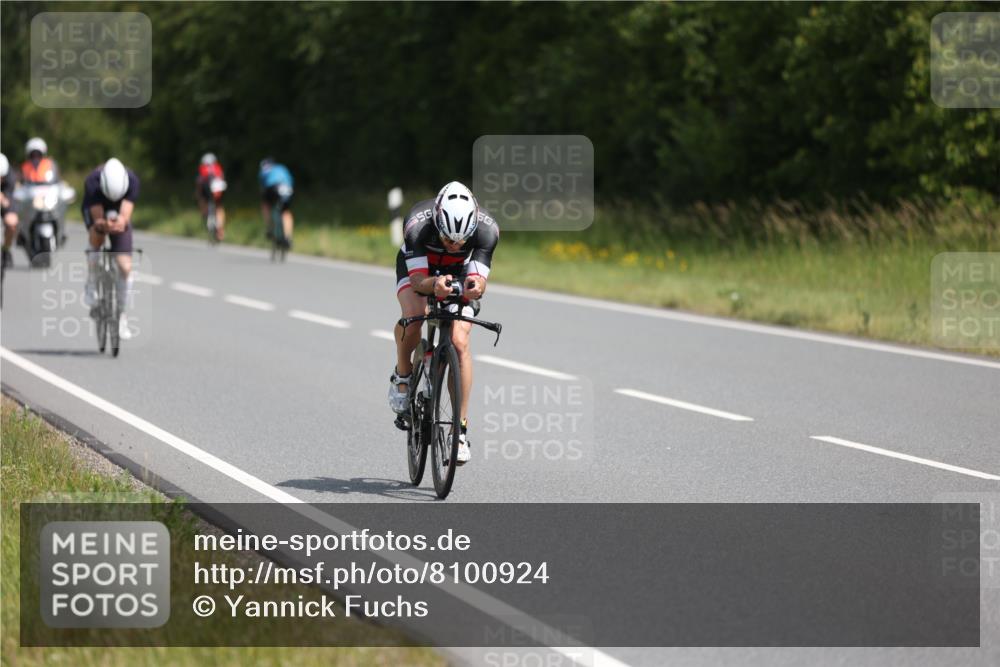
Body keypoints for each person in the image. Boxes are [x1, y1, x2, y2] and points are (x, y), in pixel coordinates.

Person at [389, 181, 499, 465]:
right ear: (438, 220)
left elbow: (479, 281)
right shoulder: (417, 224)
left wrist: (476, 287)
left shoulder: (488, 230)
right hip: (420, 268)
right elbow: (416, 281)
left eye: (462, 240)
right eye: (449, 238)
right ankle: (402, 375)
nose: (455, 245)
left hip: (459, 271)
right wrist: (433, 284)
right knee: (416, 316)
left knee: (460, 341)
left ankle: (459, 433)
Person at [81, 158, 140, 341]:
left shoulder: (132, 181)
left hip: (118, 211)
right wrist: (103, 224)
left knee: (125, 267)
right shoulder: (93, 182)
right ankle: (91, 282)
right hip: (97, 210)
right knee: (97, 234)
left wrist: (120, 222)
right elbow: (98, 219)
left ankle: (121, 314)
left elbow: (125, 215)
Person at [258, 158, 294, 248]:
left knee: (265, 205)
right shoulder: (282, 168)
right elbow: (291, 180)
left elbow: (263, 185)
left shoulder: (265, 169)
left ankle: (269, 227)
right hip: (286, 188)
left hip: (273, 187)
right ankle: (287, 237)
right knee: (286, 212)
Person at [196, 153, 227, 241]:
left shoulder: (202, 168)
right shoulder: (217, 167)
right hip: (218, 187)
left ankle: (205, 214)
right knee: (219, 207)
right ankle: (220, 230)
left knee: (203, 200)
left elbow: (199, 184)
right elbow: (223, 180)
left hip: (206, 187)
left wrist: (198, 196)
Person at [0, 153, 17, 271]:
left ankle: (5, 250)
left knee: (11, 223)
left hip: (4, 202)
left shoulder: (10, 177)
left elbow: (8, 199)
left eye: (1, 177)